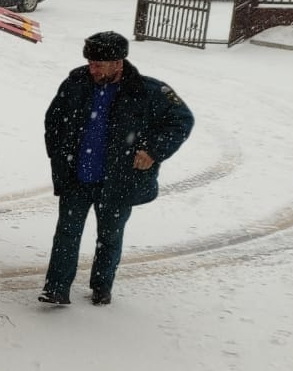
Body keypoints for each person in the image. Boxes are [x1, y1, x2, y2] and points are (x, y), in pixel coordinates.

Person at [39, 30, 193, 306]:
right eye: (90, 62)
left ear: (118, 63)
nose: (92, 68)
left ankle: (101, 287)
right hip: (78, 176)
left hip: (118, 180)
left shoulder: (148, 91)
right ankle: (56, 289)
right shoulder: (76, 83)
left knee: (109, 237)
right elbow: (54, 120)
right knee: (66, 234)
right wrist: (60, 154)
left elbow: (181, 120)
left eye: (98, 64)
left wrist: (153, 151)